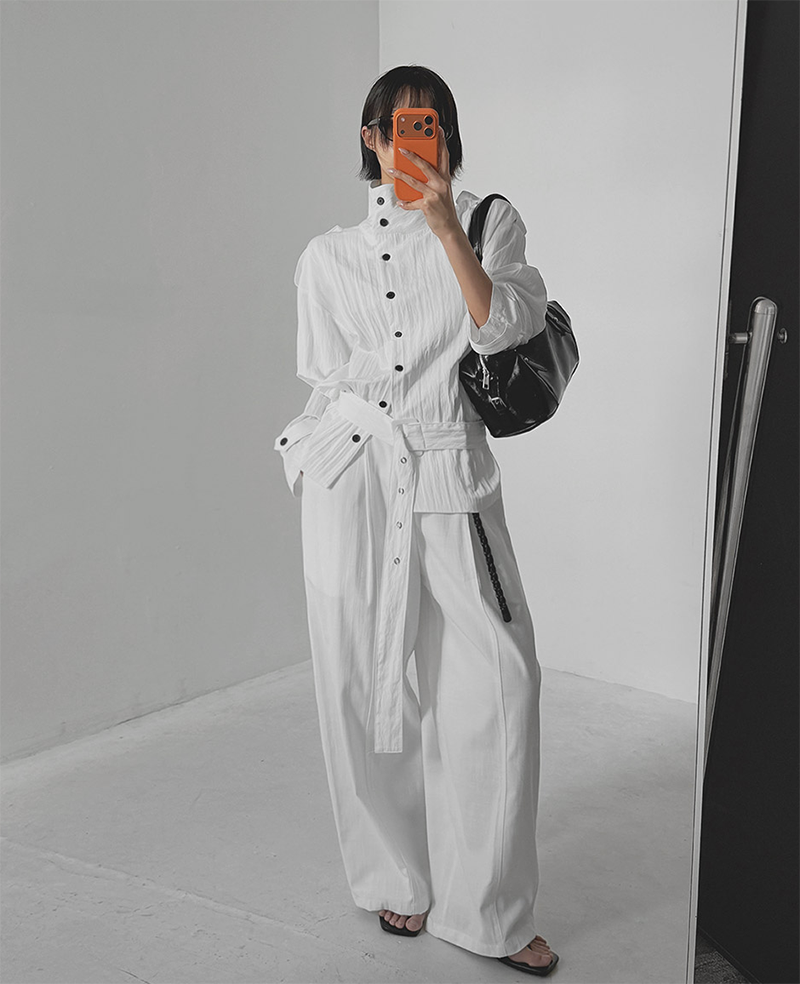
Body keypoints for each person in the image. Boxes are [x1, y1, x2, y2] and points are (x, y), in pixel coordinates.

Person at [274, 65, 559, 977]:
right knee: (357, 689)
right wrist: (309, 457)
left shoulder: (487, 222)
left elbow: (506, 327)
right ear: (370, 138)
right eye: (399, 125)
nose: (414, 139)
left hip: (448, 471)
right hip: (353, 475)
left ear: (449, 135)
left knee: (498, 687)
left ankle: (488, 912)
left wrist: (444, 227)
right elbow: (326, 377)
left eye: (430, 123)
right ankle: (396, 876)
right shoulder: (324, 258)